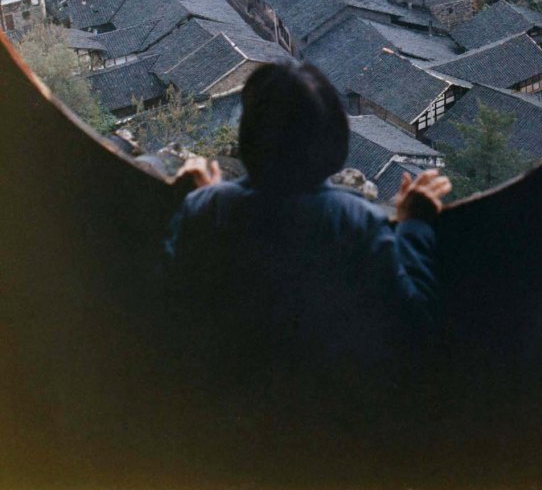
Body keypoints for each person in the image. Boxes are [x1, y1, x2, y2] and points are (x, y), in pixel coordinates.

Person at [163, 60, 451, 398]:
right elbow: (412, 322)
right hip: (330, 403)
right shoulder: (355, 221)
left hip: (228, 398)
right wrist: (415, 225)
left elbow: (171, 298)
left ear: (247, 139)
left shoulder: (208, 209)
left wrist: (200, 198)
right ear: (336, 142)